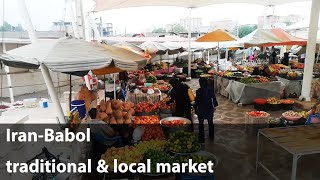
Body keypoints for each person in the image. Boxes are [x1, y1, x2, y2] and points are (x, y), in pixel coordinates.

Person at [195, 77, 218, 143]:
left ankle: (201, 138)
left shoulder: (198, 91)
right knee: (210, 123)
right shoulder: (210, 90)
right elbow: (214, 99)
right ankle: (211, 136)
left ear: (200, 83)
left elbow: (196, 101)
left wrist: (196, 108)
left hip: (201, 109)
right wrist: (214, 107)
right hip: (209, 109)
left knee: (201, 124)